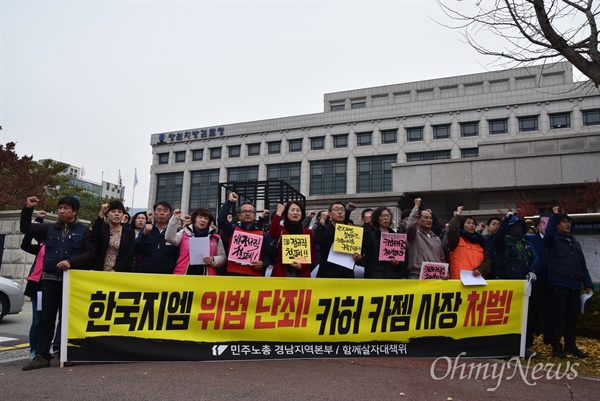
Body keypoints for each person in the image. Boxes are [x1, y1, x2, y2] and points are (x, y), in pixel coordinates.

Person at [21, 195, 96, 371]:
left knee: (67, 319)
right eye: (60, 208)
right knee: (46, 318)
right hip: (49, 280)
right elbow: (26, 228)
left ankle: (65, 353)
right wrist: (28, 209)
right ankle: (42, 356)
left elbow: (90, 254)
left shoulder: (84, 230)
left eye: (66, 208)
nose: (62, 211)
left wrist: (71, 262)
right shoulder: (48, 228)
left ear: (75, 211)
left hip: (71, 283)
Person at [544, 206, 593, 359]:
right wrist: (555, 216)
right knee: (557, 317)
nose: (568, 224)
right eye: (564, 222)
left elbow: (582, 264)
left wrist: (588, 283)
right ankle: (556, 346)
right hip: (559, 284)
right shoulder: (553, 240)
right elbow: (548, 234)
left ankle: (570, 346)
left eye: (569, 222)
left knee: (572, 317)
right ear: (558, 224)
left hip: (574, 284)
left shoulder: (575, 243)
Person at [494, 212, 539, 354]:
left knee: (525, 316)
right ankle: (506, 346)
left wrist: (533, 271)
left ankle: (523, 346)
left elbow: (537, 259)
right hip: (508, 285)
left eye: (519, 226)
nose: (517, 229)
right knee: (508, 317)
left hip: (525, 285)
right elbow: (497, 239)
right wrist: (505, 220)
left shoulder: (527, 243)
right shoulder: (504, 241)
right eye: (514, 226)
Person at [217, 192, 271, 276]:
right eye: (244, 211)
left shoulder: (263, 235)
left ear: (254, 215)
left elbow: (267, 255)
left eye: (250, 211)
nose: (248, 213)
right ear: (239, 215)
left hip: (254, 276)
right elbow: (221, 220)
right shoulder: (232, 229)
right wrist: (229, 202)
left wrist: (263, 264)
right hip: (233, 274)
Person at [314, 201, 370, 278]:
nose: (339, 212)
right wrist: (322, 221)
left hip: (347, 274)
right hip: (328, 275)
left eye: (342, 209)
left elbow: (361, 250)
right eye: (336, 209)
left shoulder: (351, 232)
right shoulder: (325, 229)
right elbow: (318, 240)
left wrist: (359, 259)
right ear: (330, 214)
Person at [166, 207, 226, 275]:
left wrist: (213, 260)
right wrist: (175, 219)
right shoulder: (184, 233)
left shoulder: (216, 237)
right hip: (183, 275)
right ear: (194, 219)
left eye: (206, 218)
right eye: (200, 217)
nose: (202, 220)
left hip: (207, 278)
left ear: (209, 222)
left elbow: (223, 257)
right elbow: (170, 238)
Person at [20, 210, 46, 360]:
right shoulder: (41, 247)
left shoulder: (63, 248)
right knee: (37, 319)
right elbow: (25, 244)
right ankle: (34, 350)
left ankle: (46, 349)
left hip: (55, 285)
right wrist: (37, 221)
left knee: (49, 319)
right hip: (38, 286)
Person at [268, 202, 315, 277]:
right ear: (286, 213)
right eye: (292, 210)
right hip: (282, 271)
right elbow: (272, 232)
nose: (295, 213)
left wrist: (302, 266)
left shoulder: (308, 232)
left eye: (298, 210)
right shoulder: (281, 229)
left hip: (301, 274)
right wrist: (279, 213)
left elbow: (312, 253)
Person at [526, 211, 551, 344]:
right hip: (536, 280)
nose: (545, 226)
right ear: (538, 225)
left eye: (549, 223)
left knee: (551, 312)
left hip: (552, 280)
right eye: (543, 222)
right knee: (533, 311)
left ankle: (549, 339)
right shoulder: (531, 239)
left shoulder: (555, 240)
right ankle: (529, 339)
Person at [405, 198, 446, 279]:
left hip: (435, 277)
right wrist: (416, 206)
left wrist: (445, 272)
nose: (429, 220)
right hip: (417, 275)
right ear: (418, 220)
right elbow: (410, 225)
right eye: (425, 218)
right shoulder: (414, 235)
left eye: (430, 218)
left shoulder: (436, 239)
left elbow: (442, 259)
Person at [134, 201, 179, 274]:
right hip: (146, 274)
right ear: (154, 213)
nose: (162, 213)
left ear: (170, 214)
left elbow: (178, 254)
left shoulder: (175, 232)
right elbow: (136, 249)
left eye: (165, 211)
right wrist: (143, 235)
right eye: (159, 210)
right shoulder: (146, 229)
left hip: (168, 275)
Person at [447, 206, 490, 279]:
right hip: (459, 281)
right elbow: (452, 229)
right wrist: (458, 215)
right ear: (462, 225)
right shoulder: (456, 240)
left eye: (473, 223)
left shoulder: (480, 241)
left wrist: (480, 270)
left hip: (477, 280)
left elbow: (487, 260)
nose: (471, 225)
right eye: (468, 223)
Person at [364, 207, 407, 279]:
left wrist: (398, 263)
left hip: (393, 277)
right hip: (376, 277)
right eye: (383, 216)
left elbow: (404, 260)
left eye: (388, 216)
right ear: (377, 219)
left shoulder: (397, 237)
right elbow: (367, 258)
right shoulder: (371, 236)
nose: (386, 218)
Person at [92, 201, 135, 272]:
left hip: (119, 272)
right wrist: (101, 213)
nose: (117, 214)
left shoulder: (129, 232)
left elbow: (129, 254)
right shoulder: (103, 228)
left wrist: (115, 269)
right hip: (100, 270)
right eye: (113, 211)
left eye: (120, 212)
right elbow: (94, 235)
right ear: (107, 214)